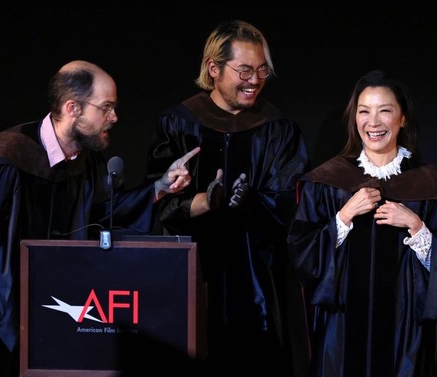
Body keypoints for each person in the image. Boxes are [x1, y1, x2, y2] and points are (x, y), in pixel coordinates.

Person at [0, 60, 200, 377]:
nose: (114, 117)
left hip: (54, 320)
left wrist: (159, 188)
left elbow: (101, 215)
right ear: (73, 108)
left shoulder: (86, 163)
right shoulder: (4, 160)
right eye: (106, 108)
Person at [145, 20, 310, 377]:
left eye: (262, 69)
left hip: (258, 279)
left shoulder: (278, 129)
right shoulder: (179, 123)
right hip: (191, 273)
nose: (255, 79)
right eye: (245, 70)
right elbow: (155, 202)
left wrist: (248, 201)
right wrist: (204, 201)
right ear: (214, 68)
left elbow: (291, 206)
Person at [287, 70, 437, 377]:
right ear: (354, 118)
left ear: (402, 118)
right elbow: (301, 255)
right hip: (340, 332)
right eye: (364, 111)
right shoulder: (328, 183)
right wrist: (343, 216)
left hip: (403, 336)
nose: (374, 122)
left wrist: (416, 225)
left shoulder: (428, 187)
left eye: (385, 111)